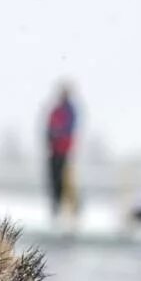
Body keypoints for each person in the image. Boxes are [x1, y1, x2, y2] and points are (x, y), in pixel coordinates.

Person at [47, 83, 78, 220]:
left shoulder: (70, 110)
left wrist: (57, 134)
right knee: (54, 179)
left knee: (65, 180)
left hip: (64, 150)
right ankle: (56, 206)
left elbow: (68, 128)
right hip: (54, 150)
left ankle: (72, 207)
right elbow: (49, 128)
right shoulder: (56, 110)